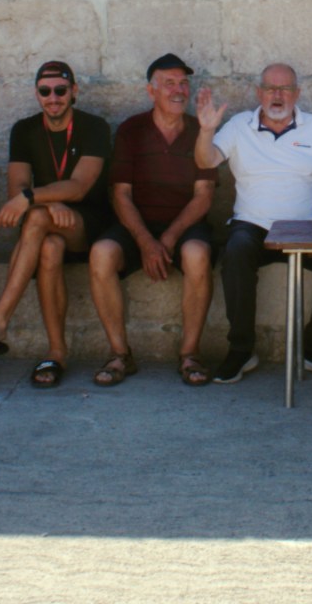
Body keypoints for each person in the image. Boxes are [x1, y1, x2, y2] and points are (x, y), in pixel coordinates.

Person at [195, 63, 312, 383]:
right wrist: (206, 131)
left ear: (297, 94)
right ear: (259, 93)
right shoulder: (238, 126)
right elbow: (205, 161)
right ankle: (241, 350)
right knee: (235, 252)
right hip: (252, 225)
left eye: (285, 89)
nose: (278, 95)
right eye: (271, 89)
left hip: (306, 231)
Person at [0, 61, 111, 388]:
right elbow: (17, 190)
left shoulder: (94, 126)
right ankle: (56, 352)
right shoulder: (24, 130)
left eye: (60, 90)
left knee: (37, 216)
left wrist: (33, 199)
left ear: (74, 92)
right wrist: (48, 201)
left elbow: (80, 186)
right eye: (45, 91)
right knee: (48, 245)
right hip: (48, 223)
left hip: (89, 220)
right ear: (37, 94)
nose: (53, 97)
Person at [88, 54, 218, 387]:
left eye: (183, 83)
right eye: (169, 83)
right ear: (151, 91)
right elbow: (121, 195)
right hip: (138, 226)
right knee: (101, 253)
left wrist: (170, 238)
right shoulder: (132, 129)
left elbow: (204, 195)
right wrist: (146, 242)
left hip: (184, 226)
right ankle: (120, 354)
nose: (178, 90)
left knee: (197, 254)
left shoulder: (198, 130)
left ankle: (190, 354)